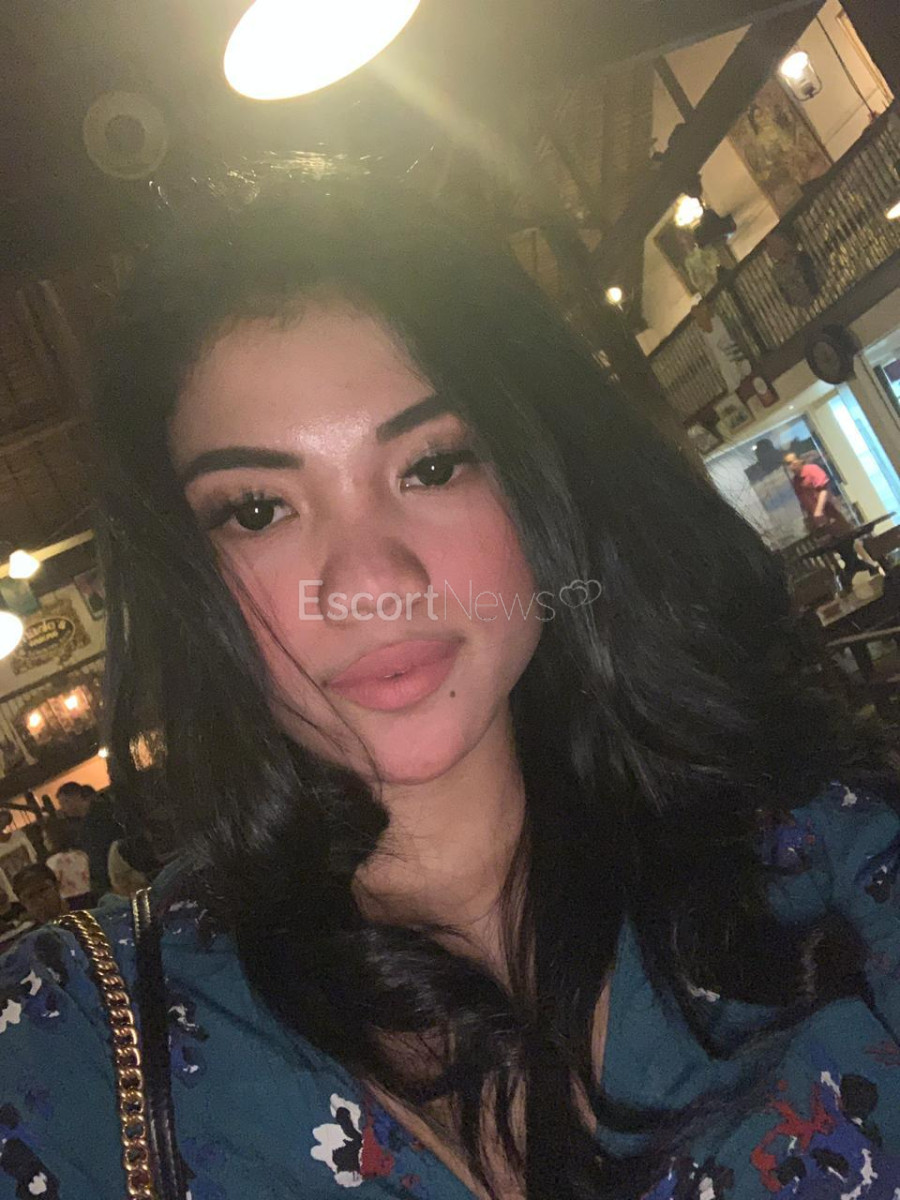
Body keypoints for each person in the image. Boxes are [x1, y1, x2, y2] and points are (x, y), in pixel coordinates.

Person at [2, 184, 900, 1200]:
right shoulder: (66, 1050)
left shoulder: (827, 852)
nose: (370, 582)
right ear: (187, 574)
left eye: (432, 466)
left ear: (540, 482)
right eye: (257, 509)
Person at [54, 779, 122, 895]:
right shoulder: (85, 823)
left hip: (113, 871)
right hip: (108, 874)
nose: (64, 809)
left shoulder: (101, 815)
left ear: (76, 796)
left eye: (65, 802)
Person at [783, 450, 852, 534]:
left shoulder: (812, 469)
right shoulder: (796, 481)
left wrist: (819, 510)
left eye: (793, 461)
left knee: (844, 533)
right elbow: (803, 501)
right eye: (788, 464)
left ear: (799, 460)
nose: (792, 465)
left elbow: (824, 490)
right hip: (817, 517)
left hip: (830, 510)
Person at [42, 816, 93, 910]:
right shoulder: (81, 854)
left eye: (45, 838)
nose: (44, 842)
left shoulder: (53, 861)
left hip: (69, 903)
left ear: (53, 838)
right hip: (90, 898)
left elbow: (53, 885)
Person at [11, 862, 63, 926]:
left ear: (57, 886)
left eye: (42, 890)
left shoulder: (75, 908)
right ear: (23, 903)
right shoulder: (31, 932)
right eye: (30, 896)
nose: (39, 900)